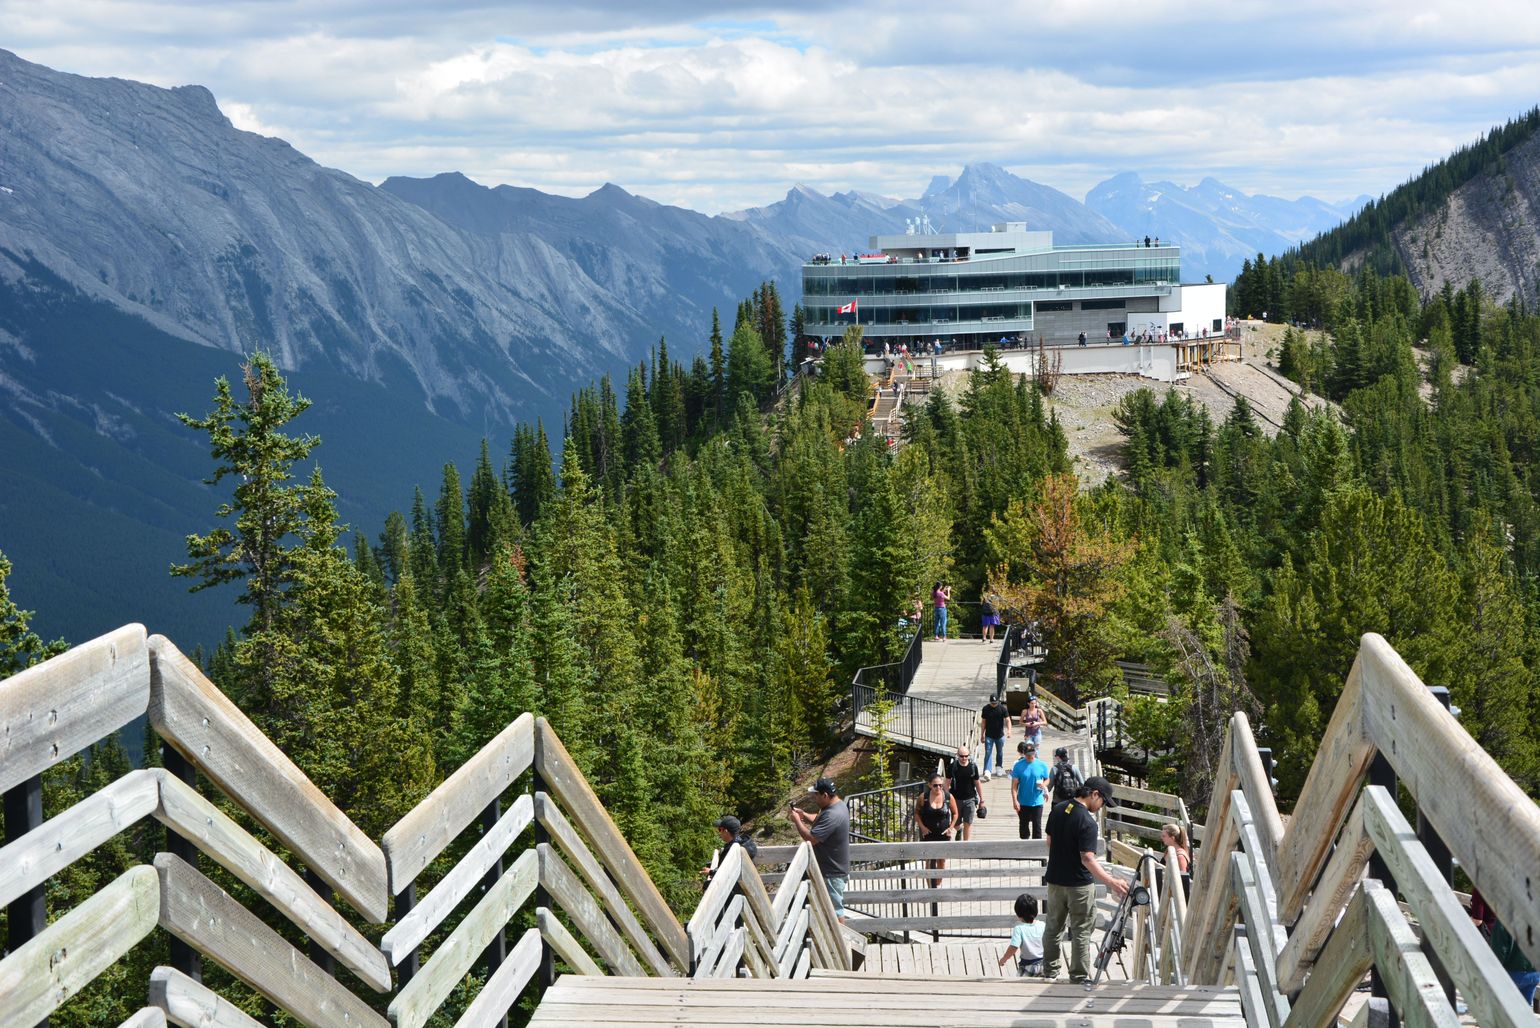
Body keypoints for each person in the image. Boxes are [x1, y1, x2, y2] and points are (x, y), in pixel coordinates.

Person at [1043, 778, 1129, 982]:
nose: (1101, 808)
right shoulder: (1087, 822)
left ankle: (1050, 971)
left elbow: (1049, 841)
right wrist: (1111, 881)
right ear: (1095, 794)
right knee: (1081, 930)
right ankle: (1079, 976)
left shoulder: (1058, 809)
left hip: (1055, 879)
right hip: (1079, 884)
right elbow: (1087, 858)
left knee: (1053, 927)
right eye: (1103, 802)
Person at [789, 778, 850, 923]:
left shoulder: (832, 815)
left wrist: (797, 820)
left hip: (831, 871)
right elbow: (819, 819)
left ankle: (840, 943)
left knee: (835, 911)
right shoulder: (838, 806)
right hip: (833, 869)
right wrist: (803, 815)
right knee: (830, 909)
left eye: (816, 794)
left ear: (825, 795)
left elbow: (811, 838)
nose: (814, 797)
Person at [914, 772, 959, 887]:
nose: (938, 787)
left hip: (944, 834)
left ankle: (937, 886)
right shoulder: (923, 797)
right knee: (929, 861)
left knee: (941, 860)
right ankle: (930, 887)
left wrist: (951, 828)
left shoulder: (948, 797)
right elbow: (917, 814)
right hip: (928, 834)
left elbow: (955, 814)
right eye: (935, 785)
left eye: (940, 785)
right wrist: (922, 828)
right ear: (929, 785)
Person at [1010, 741, 1051, 840]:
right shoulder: (1018, 766)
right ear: (1024, 754)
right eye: (1027, 755)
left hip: (1037, 801)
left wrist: (1043, 785)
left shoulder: (1042, 765)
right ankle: (1024, 847)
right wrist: (1015, 801)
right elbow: (1014, 786)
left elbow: (1047, 779)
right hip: (1023, 801)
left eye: (1032, 754)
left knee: (1037, 826)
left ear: (1035, 753)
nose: (1030, 757)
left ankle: (1036, 850)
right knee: (1023, 827)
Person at [999, 893, 1046, 976]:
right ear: (1036, 911)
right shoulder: (1042, 925)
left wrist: (1004, 959)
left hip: (1027, 966)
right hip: (1044, 965)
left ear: (1018, 914)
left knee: (1020, 986)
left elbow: (1013, 947)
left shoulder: (1019, 929)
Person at [702, 815, 758, 882]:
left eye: (720, 829)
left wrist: (710, 872)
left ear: (725, 831)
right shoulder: (743, 844)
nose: (719, 833)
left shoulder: (732, 850)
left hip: (736, 887)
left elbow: (727, 873)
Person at [948, 745, 982, 841]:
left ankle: (965, 845)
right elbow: (946, 783)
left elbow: (977, 783)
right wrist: (945, 798)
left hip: (970, 799)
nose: (964, 758)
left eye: (966, 756)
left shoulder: (973, 767)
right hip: (955, 799)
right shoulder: (952, 767)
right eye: (961, 756)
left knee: (968, 822)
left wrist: (982, 799)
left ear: (969, 756)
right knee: (955, 823)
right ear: (957, 755)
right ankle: (959, 830)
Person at [979, 695, 1011, 780]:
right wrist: (982, 735)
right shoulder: (985, 709)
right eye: (992, 703)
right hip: (989, 735)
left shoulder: (1002, 708)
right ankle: (987, 770)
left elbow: (1008, 720)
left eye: (995, 703)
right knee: (988, 752)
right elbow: (983, 723)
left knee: (999, 752)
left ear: (998, 701)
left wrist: (1009, 731)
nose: (994, 704)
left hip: (1000, 735)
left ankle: (999, 766)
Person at [1161, 823, 1192, 899]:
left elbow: (1182, 880)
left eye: (1164, 836)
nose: (1162, 838)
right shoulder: (1168, 850)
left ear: (1172, 838)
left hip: (1175, 897)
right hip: (1166, 890)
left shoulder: (1180, 856)